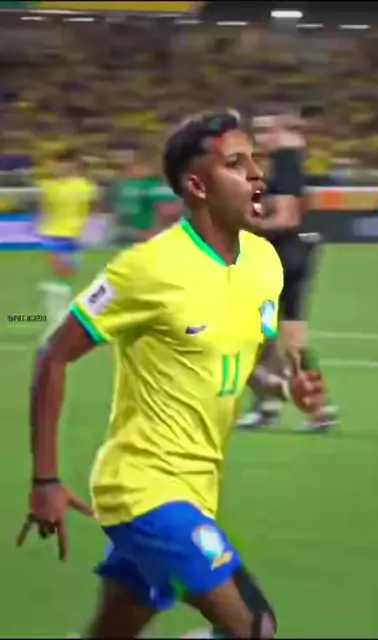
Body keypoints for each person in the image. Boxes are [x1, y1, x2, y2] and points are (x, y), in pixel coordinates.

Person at [17, 111, 325, 639]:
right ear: (197, 186)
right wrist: (45, 478)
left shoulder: (263, 264)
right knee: (253, 628)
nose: (256, 174)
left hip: (199, 488)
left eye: (254, 160)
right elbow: (54, 354)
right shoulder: (148, 269)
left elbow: (237, 358)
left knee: (113, 630)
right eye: (236, 163)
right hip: (143, 489)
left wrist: (283, 387)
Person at [237, 111, 340, 434]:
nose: (261, 136)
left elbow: (286, 218)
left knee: (264, 334)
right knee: (280, 335)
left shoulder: (286, 166)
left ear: (285, 132)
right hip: (294, 255)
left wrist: (246, 225)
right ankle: (312, 410)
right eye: (258, 129)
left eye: (267, 129)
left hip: (282, 259)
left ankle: (280, 404)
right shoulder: (286, 164)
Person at [36, 149, 99, 339]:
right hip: (53, 234)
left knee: (68, 277)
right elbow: (44, 209)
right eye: (56, 164)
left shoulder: (85, 187)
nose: (58, 168)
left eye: (63, 164)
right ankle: (57, 321)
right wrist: (41, 228)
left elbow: (92, 210)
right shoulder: (48, 186)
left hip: (76, 236)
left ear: (74, 165)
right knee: (60, 273)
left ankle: (65, 318)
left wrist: (90, 231)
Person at [110, 149, 183, 246]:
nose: (129, 170)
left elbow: (172, 209)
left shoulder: (155, 186)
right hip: (127, 231)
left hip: (147, 234)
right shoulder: (124, 185)